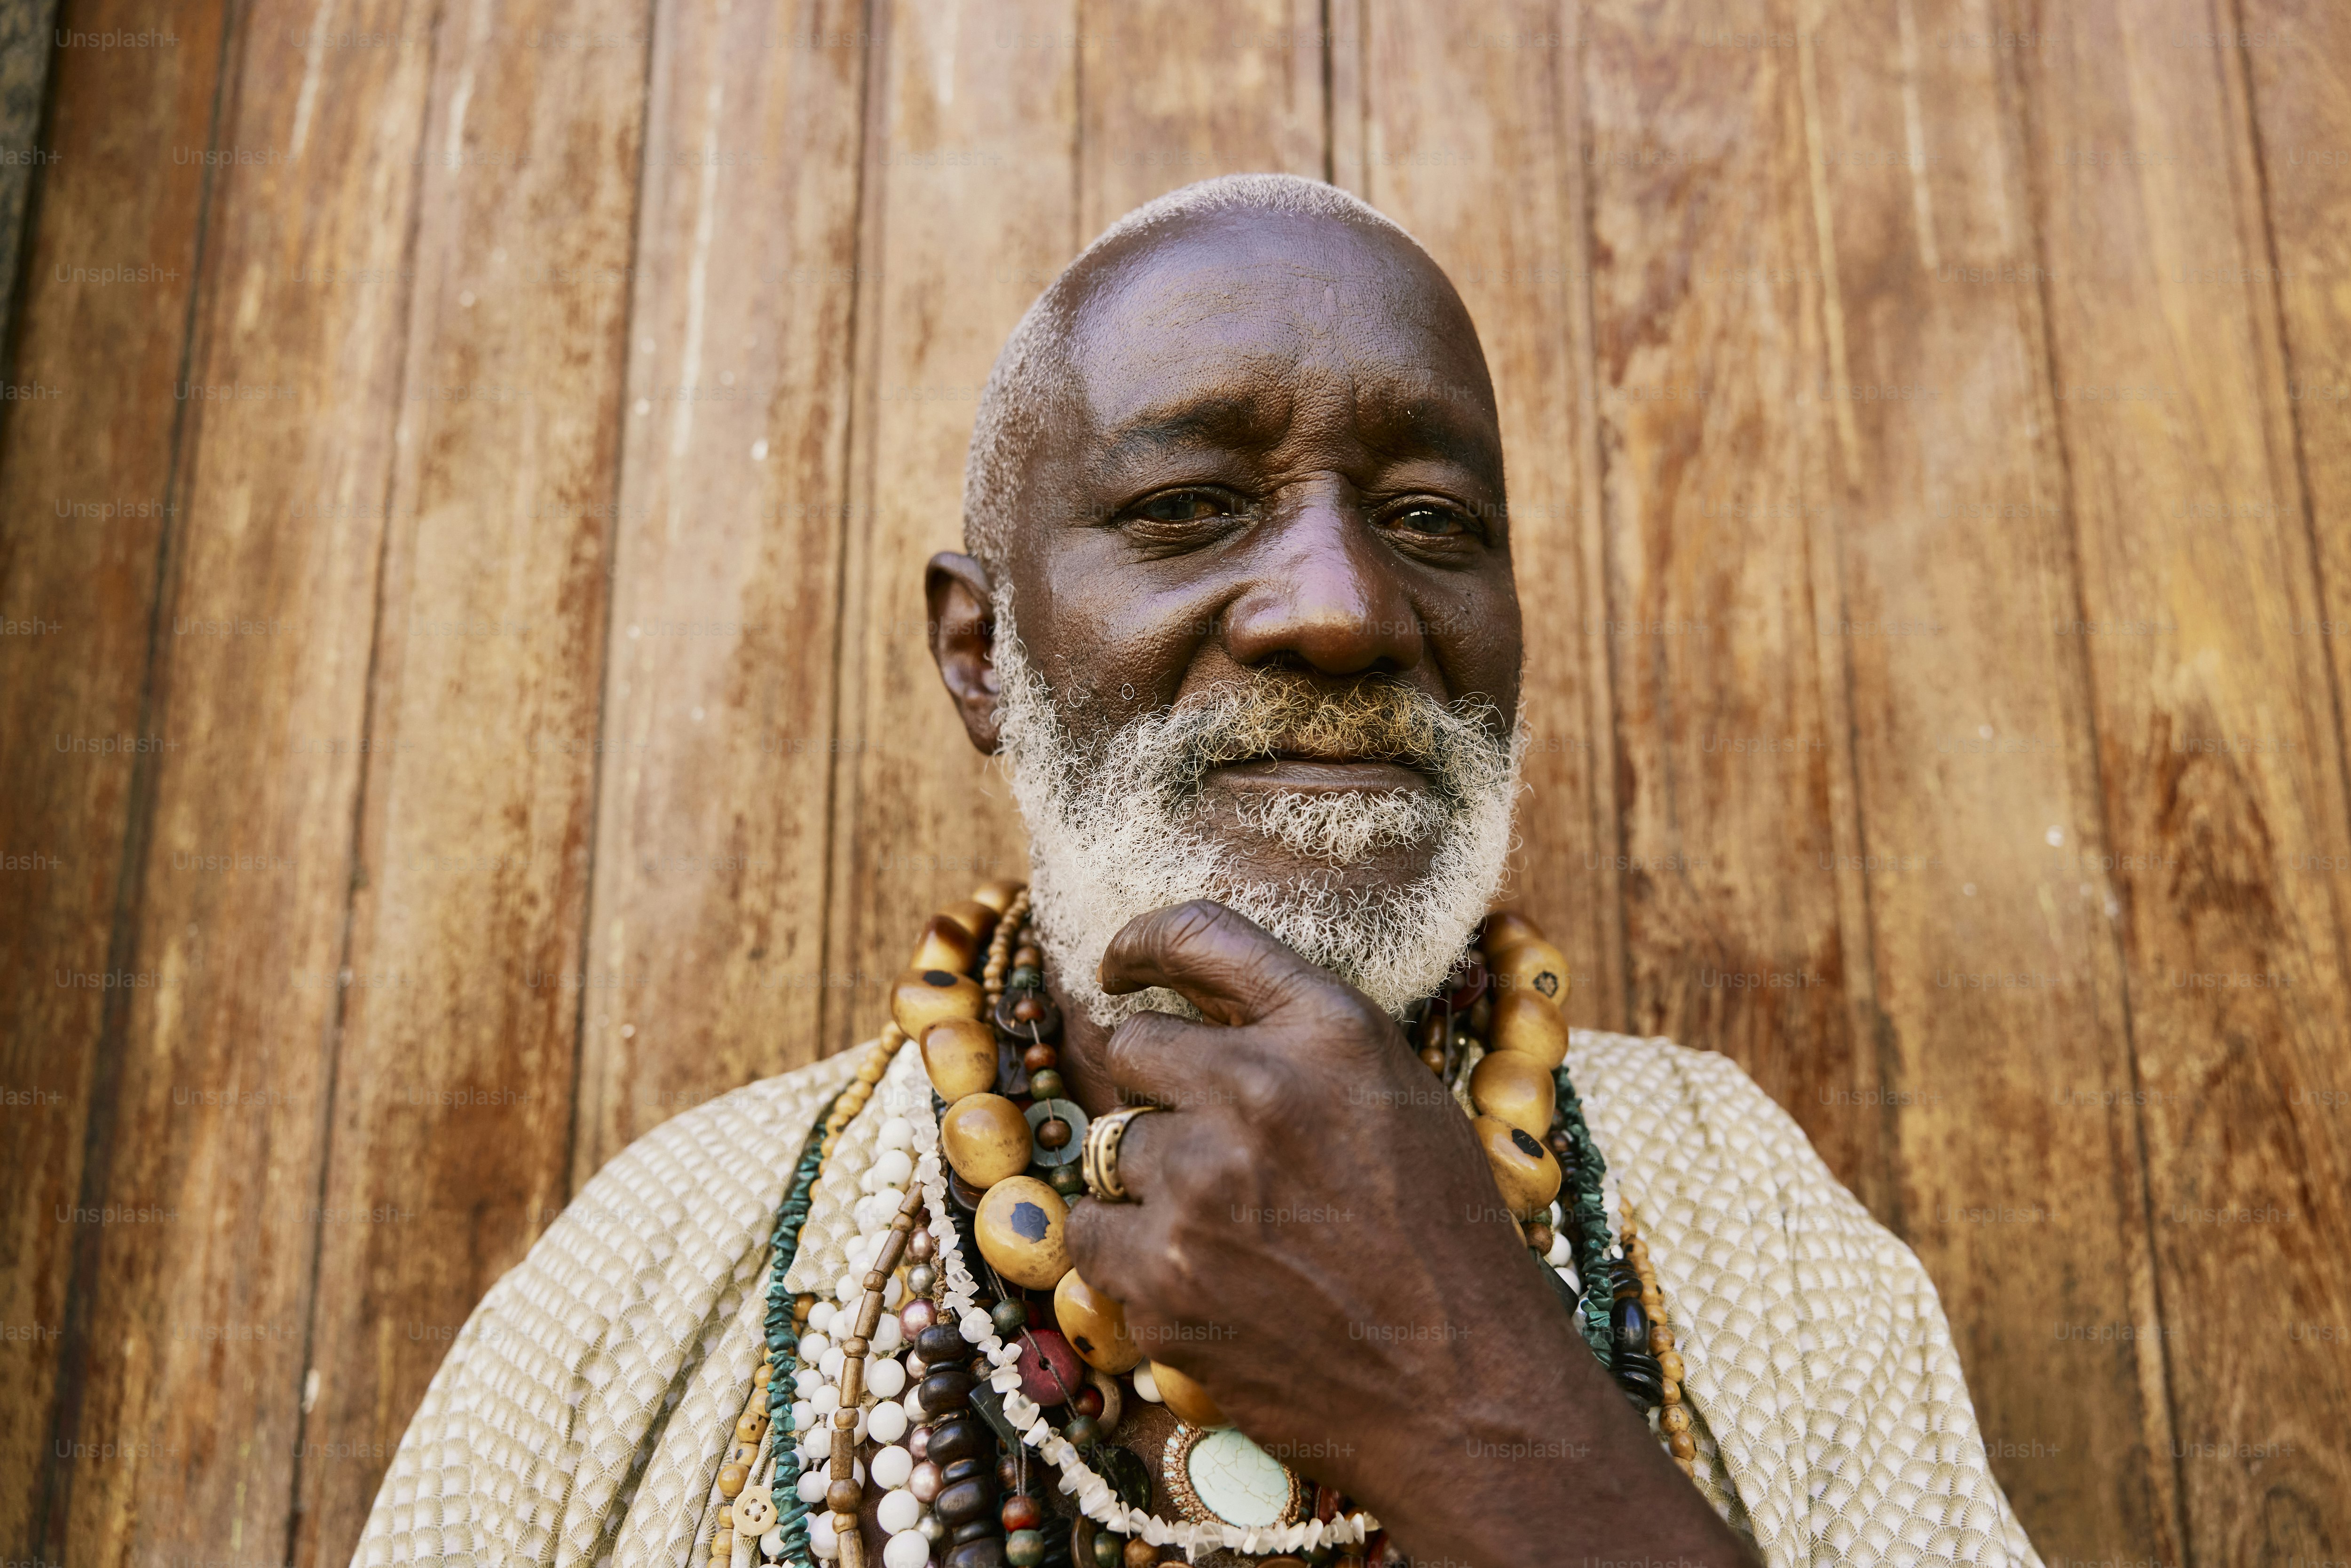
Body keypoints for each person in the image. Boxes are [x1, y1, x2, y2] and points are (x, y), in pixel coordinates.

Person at [352, 174, 2041, 1568]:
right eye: (1189, 508)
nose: (1342, 607)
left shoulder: (1743, 1222)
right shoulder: (657, 1270)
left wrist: (1466, 1391)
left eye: (1434, 523)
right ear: (982, 656)